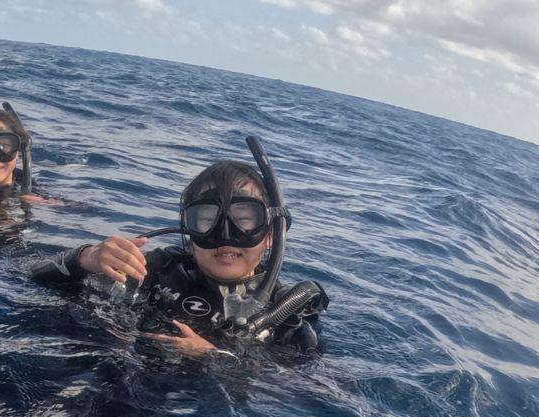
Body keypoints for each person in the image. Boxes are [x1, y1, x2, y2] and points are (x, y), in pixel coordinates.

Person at [34, 145, 326, 352]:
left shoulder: (283, 310)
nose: (225, 237)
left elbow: (302, 391)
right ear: (188, 227)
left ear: (272, 233)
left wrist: (216, 359)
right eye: (207, 220)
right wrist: (86, 257)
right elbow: (34, 278)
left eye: (244, 221)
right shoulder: (159, 269)